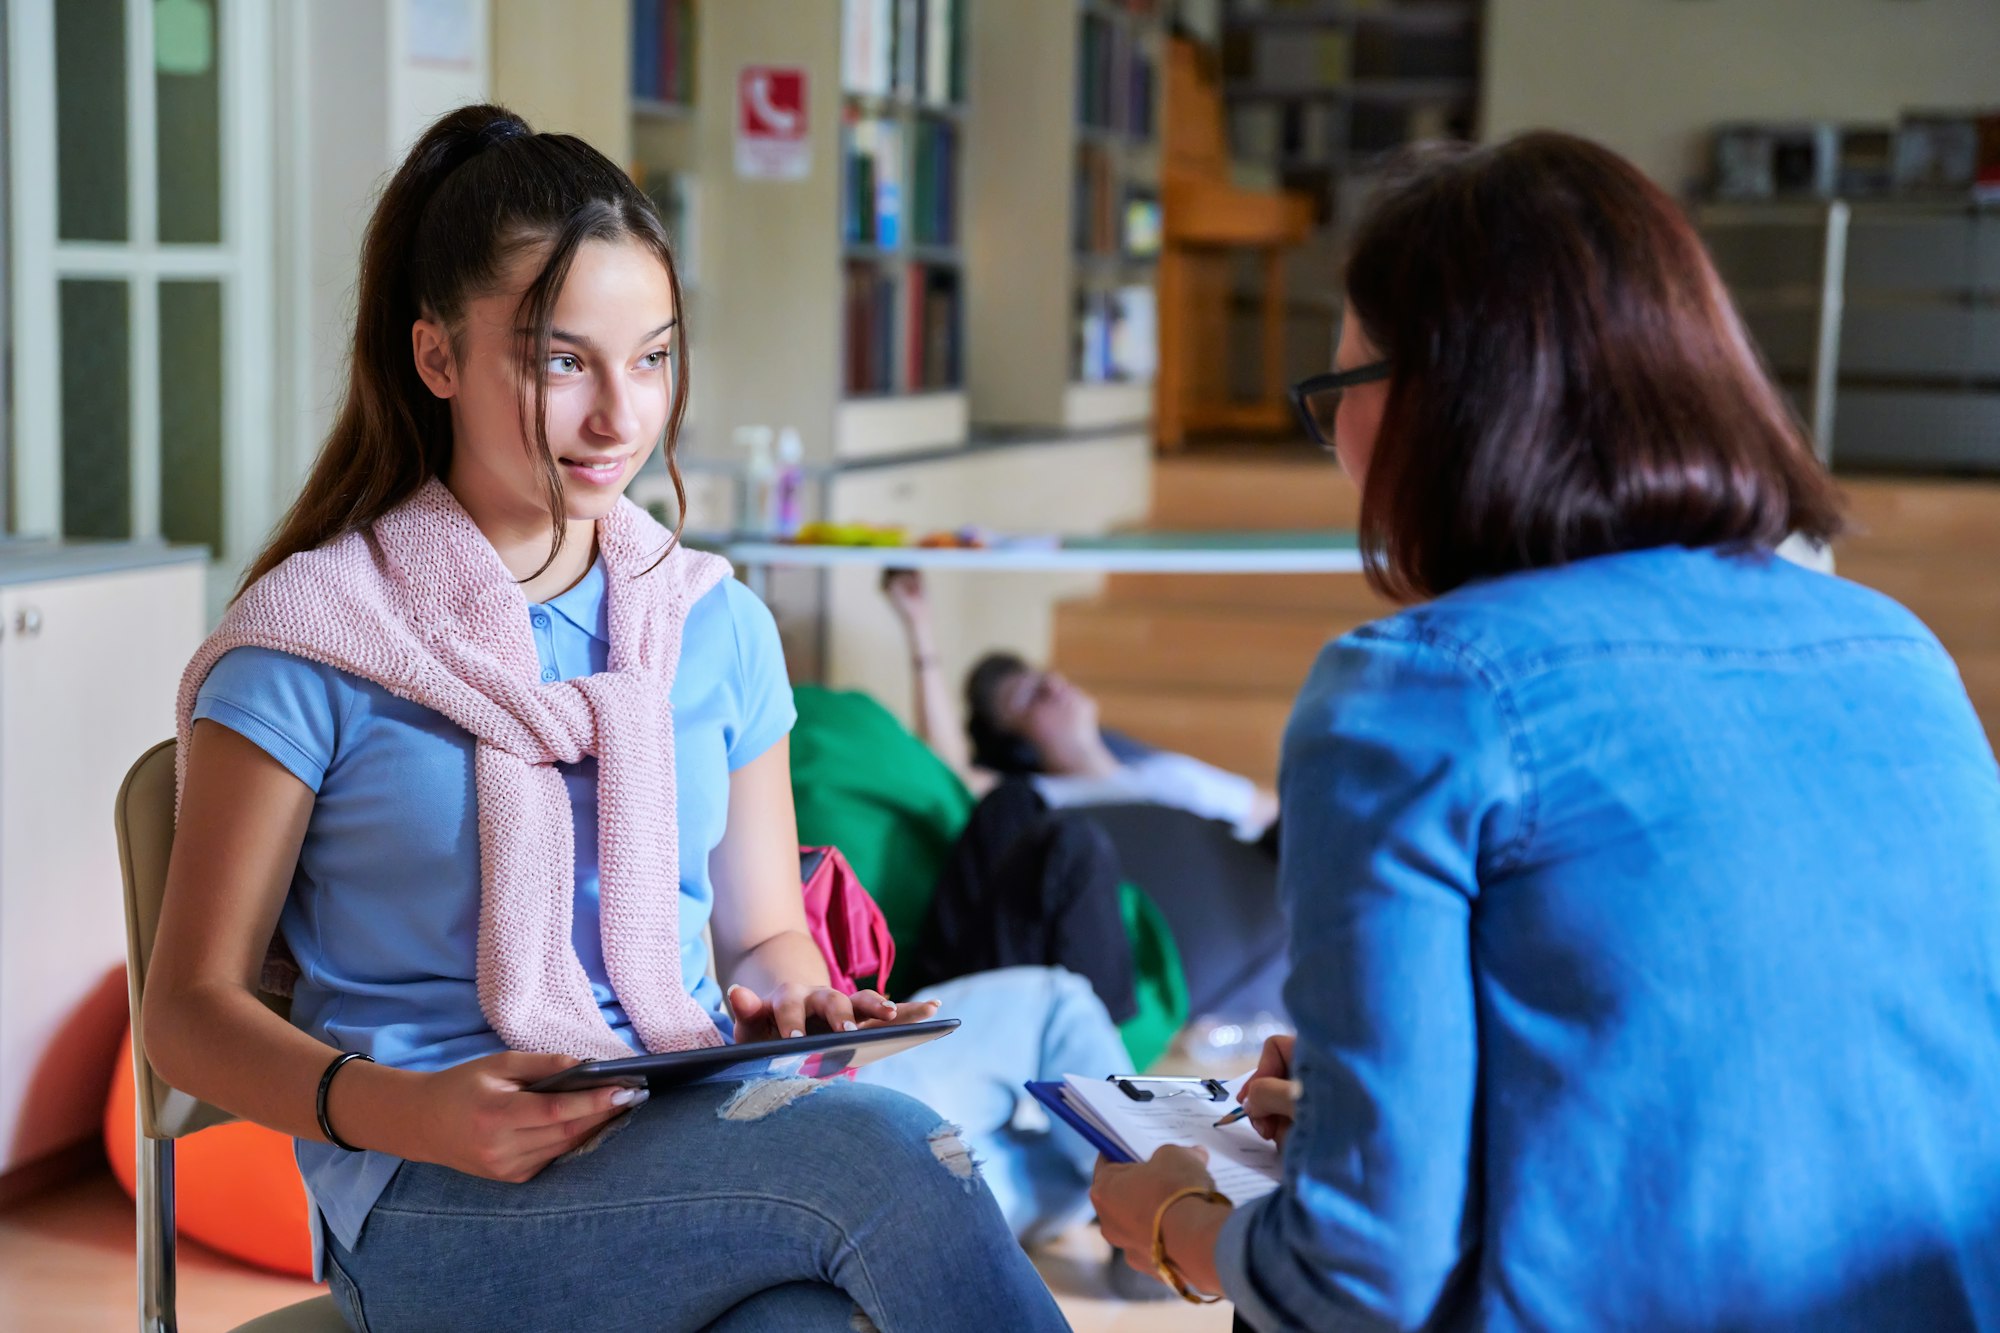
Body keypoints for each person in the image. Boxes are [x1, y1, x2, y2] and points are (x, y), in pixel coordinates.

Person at [142, 105, 1069, 1332]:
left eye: (652, 358)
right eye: (559, 359)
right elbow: (186, 1013)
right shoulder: (312, 637)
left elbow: (763, 940)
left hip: (681, 1139)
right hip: (432, 1193)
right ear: (436, 358)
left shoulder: (712, 624)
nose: (619, 418)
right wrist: (411, 1111)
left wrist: (804, 998)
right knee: (897, 1162)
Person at [1090, 131, 2000, 1330]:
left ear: (1432, 404)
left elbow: (1360, 1282)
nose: (1339, 456)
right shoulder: (1896, 652)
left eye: (1335, 398)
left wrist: (1174, 1221)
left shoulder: (1415, 695)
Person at [883, 570, 1278, 842]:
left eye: (1045, 678)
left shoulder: (1171, 772)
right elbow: (949, 774)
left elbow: (1278, 815)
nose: (1054, 685)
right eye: (1030, 696)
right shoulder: (1043, 798)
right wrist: (919, 626)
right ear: (1016, 743)